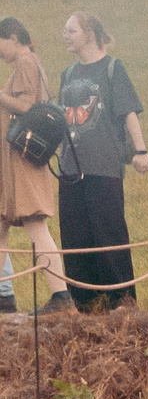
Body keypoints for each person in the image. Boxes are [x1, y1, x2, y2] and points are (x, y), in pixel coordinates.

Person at [55, 11, 148, 311]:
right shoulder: (68, 74)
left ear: (89, 34)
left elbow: (129, 112)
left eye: (71, 30)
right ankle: (84, 302)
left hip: (104, 166)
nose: (65, 35)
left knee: (108, 231)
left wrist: (141, 151)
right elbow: (62, 120)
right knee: (74, 234)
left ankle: (122, 299)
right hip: (71, 168)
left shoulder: (112, 68)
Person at [0, 18, 69, 314]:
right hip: (12, 161)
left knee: (35, 223)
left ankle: (61, 295)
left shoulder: (27, 61)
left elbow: (27, 106)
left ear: (13, 37)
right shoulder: (23, 63)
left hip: (23, 160)